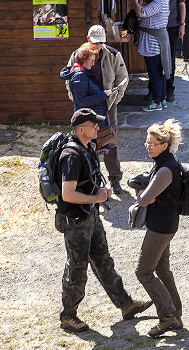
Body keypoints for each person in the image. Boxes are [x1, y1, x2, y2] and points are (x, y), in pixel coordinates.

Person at [56, 108, 151, 332]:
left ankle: (126, 305)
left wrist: (98, 192)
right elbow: (67, 194)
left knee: (103, 260)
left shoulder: (87, 147)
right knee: (77, 267)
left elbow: (85, 182)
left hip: (90, 215)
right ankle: (68, 316)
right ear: (81, 129)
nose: (98, 128)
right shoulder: (70, 155)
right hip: (75, 220)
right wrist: (96, 196)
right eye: (94, 125)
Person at [134, 119, 185, 337]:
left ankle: (167, 317)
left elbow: (144, 200)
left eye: (152, 144)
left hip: (160, 227)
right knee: (162, 269)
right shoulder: (162, 163)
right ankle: (176, 314)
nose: (148, 147)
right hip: (165, 225)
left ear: (164, 145)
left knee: (143, 271)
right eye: (146, 143)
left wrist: (140, 193)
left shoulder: (165, 169)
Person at [64, 28, 129, 193]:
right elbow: (70, 79)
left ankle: (114, 179)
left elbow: (123, 78)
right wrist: (77, 101)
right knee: (86, 144)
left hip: (106, 105)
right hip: (86, 108)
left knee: (109, 142)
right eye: (95, 42)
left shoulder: (113, 55)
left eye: (101, 42)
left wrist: (114, 100)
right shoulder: (77, 55)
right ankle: (91, 181)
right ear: (88, 38)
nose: (99, 45)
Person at [130, 0, 170, 111]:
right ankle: (162, 99)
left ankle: (157, 101)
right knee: (160, 72)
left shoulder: (158, 3)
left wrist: (135, 1)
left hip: (152, 42)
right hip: (157, 40)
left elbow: (141, 13)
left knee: (155, 73)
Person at [158, 0, 185, 103]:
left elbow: (182, 5)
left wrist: (182, 24)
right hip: (156, 28)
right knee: (156, 58)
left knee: (170, 58)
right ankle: (155, 88)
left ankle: (170, 88)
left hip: (172, 26)